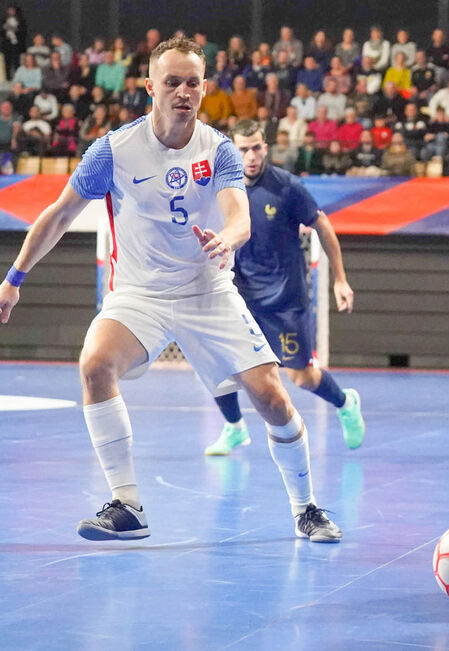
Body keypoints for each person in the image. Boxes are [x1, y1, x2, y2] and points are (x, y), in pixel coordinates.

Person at [0, 37, 341, 543]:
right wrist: (13, 280)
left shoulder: (219, 148)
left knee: (271, 397)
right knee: (95, 365)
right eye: (171, 82)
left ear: (204, 88)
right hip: (140, 295)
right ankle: (127, 505)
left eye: (192, 82)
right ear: (149, 87)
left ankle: (306, 508)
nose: (183, 91)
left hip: (207, 291)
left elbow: (238, 216)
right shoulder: (114, 151)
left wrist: (226, 238)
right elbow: (59, 214)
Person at [204, 119, 364, 454]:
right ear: (233, 150)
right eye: (243, 149)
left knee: (301, 378)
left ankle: (345, 402)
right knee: (214, 365)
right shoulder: (224, 188)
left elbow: (323, 227)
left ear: (266, 147)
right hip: (243, 298)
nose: (250, 156)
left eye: (256, 147)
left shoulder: (286, 187)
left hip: (286, 300)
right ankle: (234, 428)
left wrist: (340, 279)